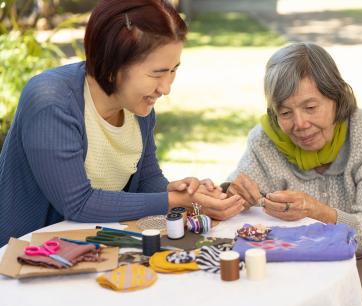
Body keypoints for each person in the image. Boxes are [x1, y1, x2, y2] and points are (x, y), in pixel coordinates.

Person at [0, 0, 245, 247]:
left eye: (173, 70)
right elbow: (78, 204)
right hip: (26, 255)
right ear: (111, 65)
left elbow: (147, 181)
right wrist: (172, 200)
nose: (166, 88)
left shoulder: (138, 106)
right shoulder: (51, 100)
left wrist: (186, 193)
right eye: (157, 73)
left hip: (89, 249)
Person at [226, 42, 362, 306]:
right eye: (285, 112)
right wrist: (230, 192)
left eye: (310, 107)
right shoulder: (265, 140)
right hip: (299, 254)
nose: (299, 124)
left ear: (337, 98)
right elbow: (232, 195)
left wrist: (316, 211)